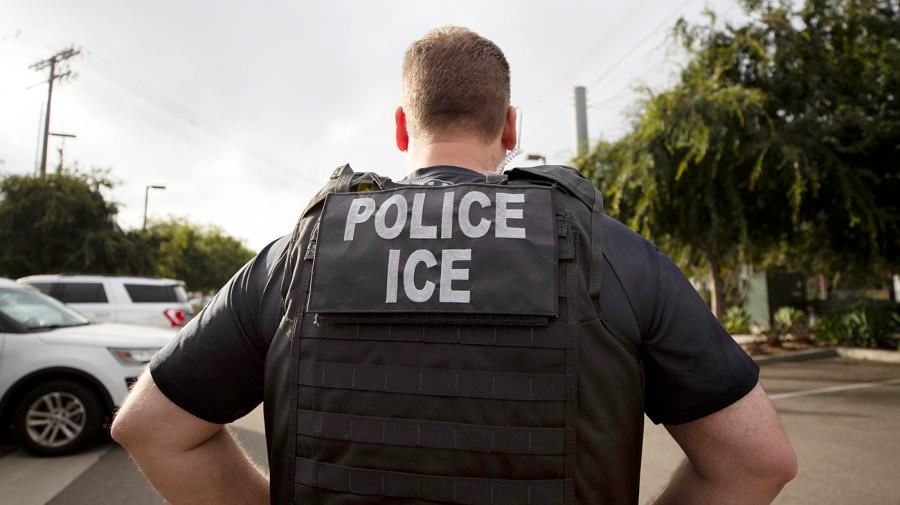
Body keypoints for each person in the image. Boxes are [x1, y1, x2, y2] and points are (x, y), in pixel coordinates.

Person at [112, 26, 797, 505]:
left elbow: (150, 428)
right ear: (510, 129)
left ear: (403, 128)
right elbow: (757, 460)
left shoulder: (301, 255)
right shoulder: (611, 251)